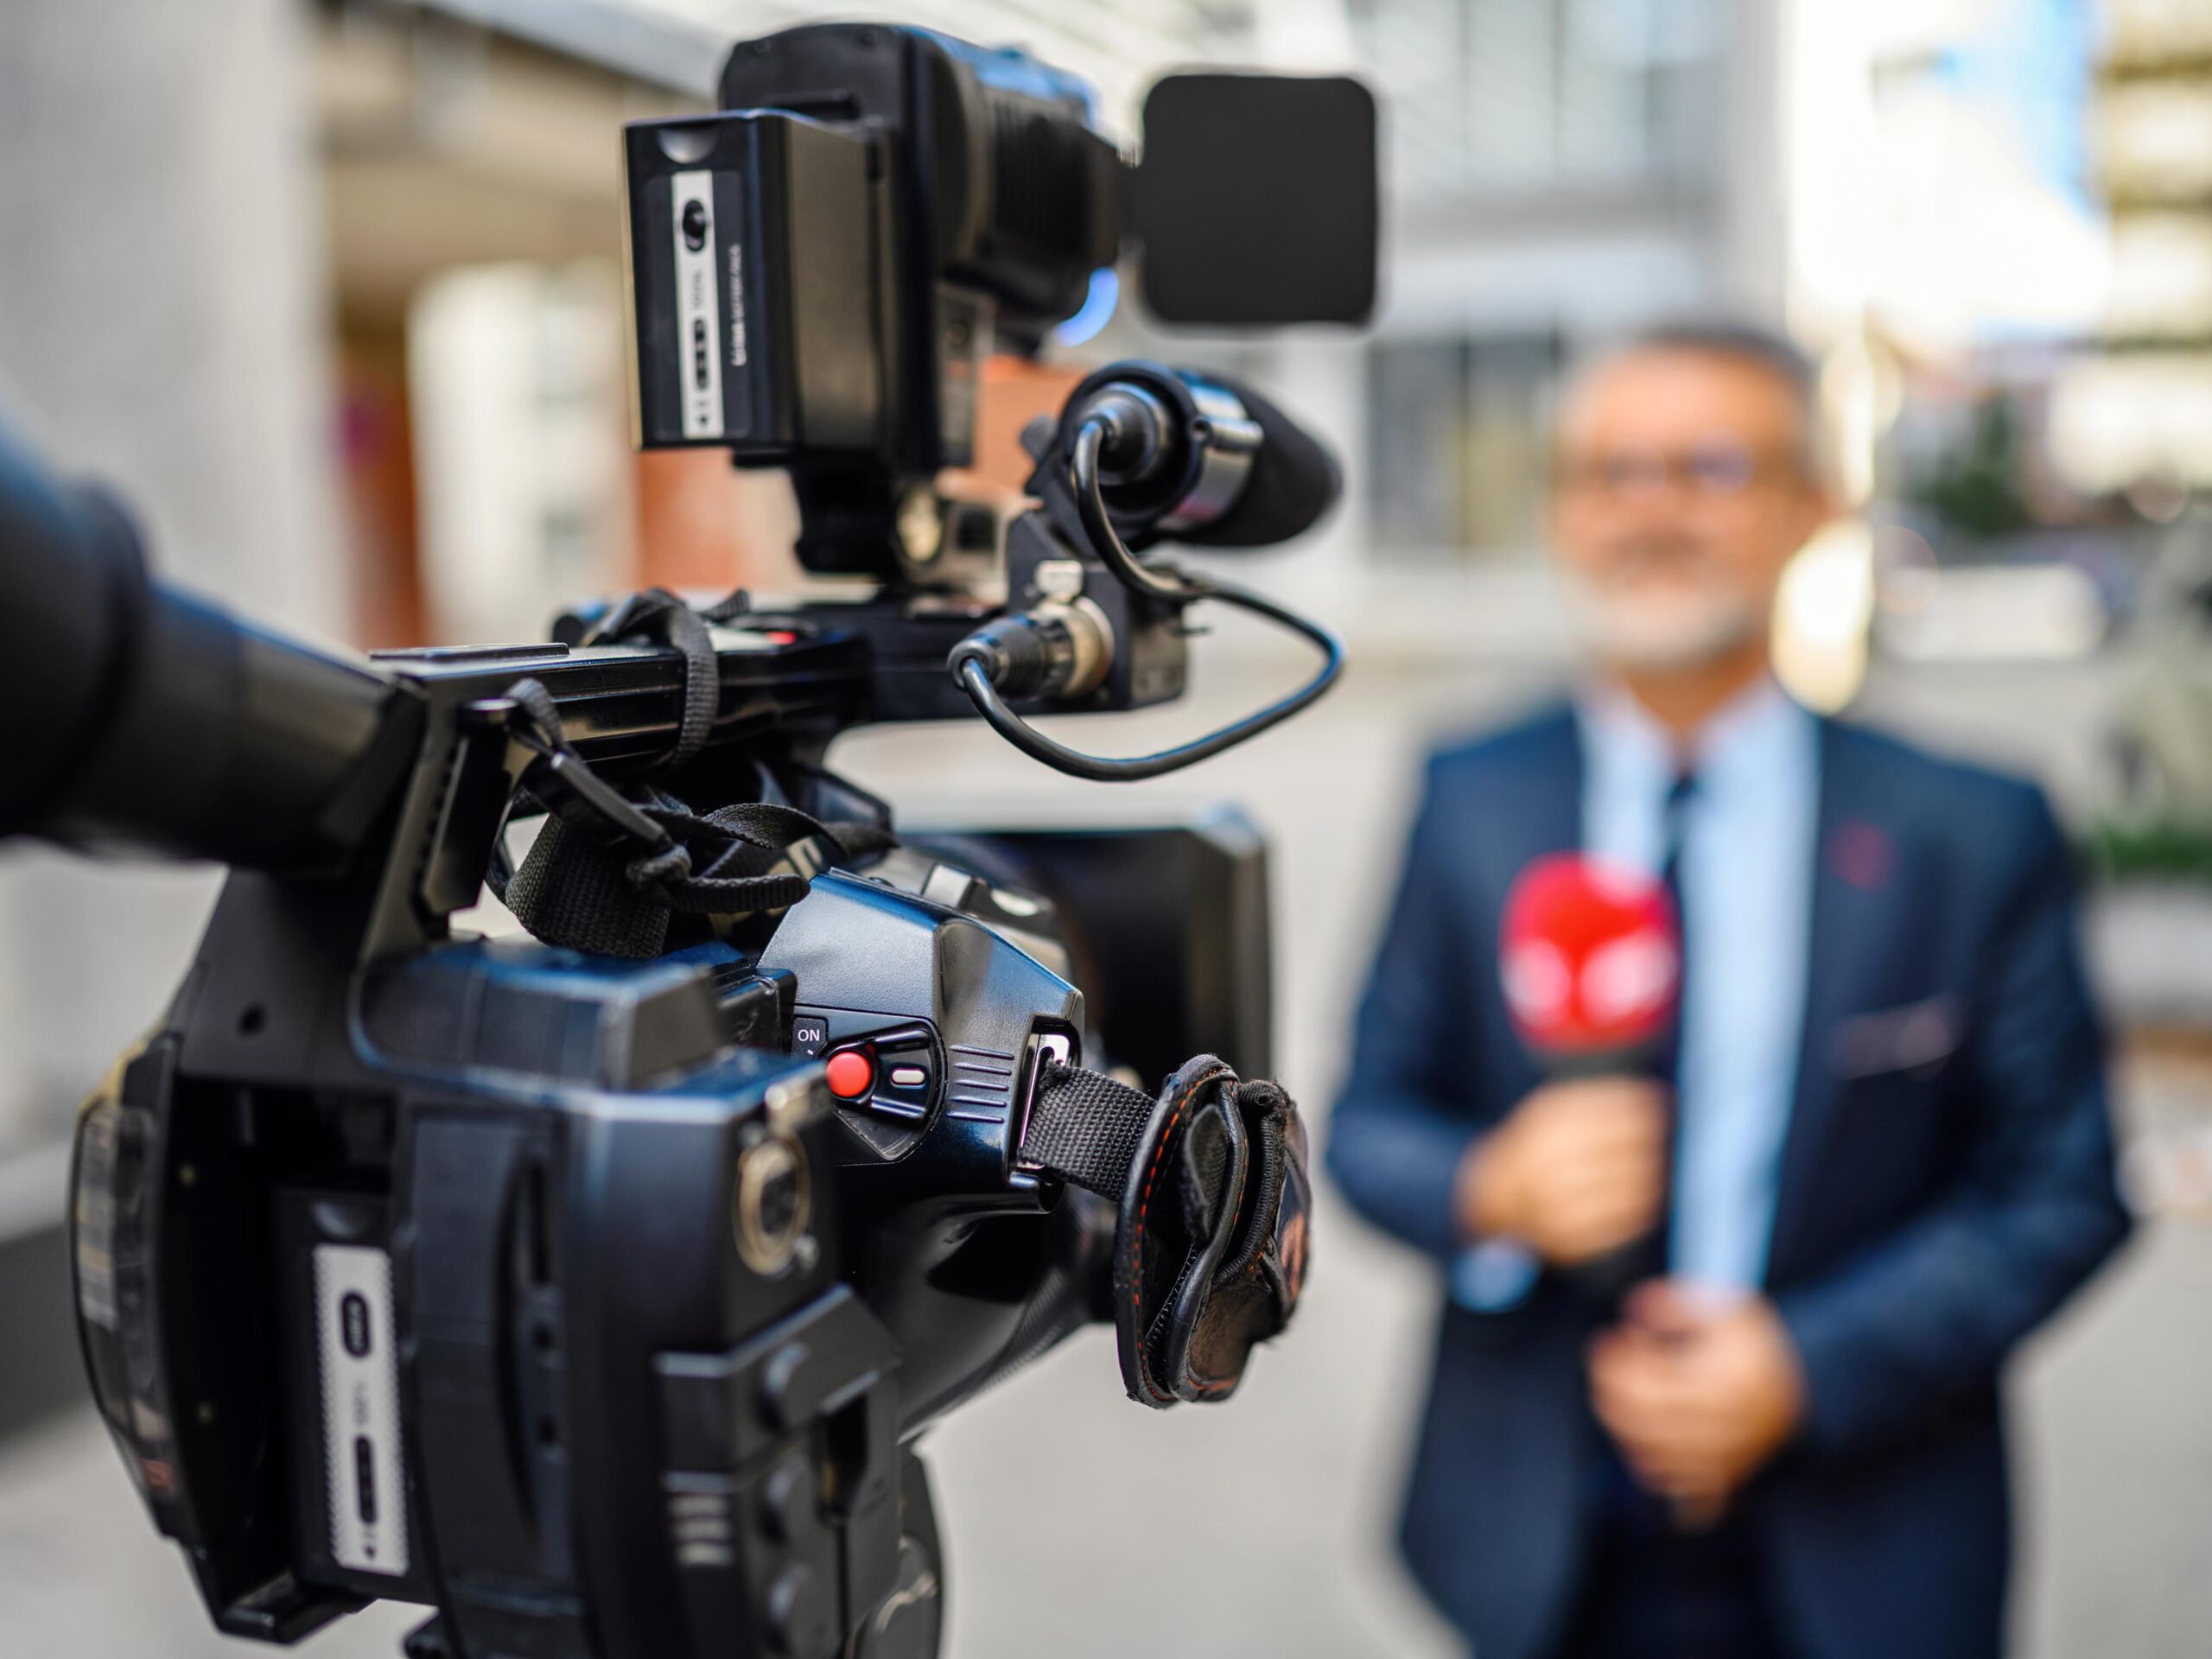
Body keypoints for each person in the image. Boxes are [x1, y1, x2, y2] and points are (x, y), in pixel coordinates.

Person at [1327, 321, 2132, 1659]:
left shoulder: (1971, 833)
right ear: (1562, 513)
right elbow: (1367, 1123)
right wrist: (1495, 1191)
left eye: (1710, 468)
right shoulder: (1469, 797)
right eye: (1611, 472)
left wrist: (1809, 1367)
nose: (1654, 512)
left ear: (1814, 504)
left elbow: (2062, 1187)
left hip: (1866, 1538)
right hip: (1539, 1545)